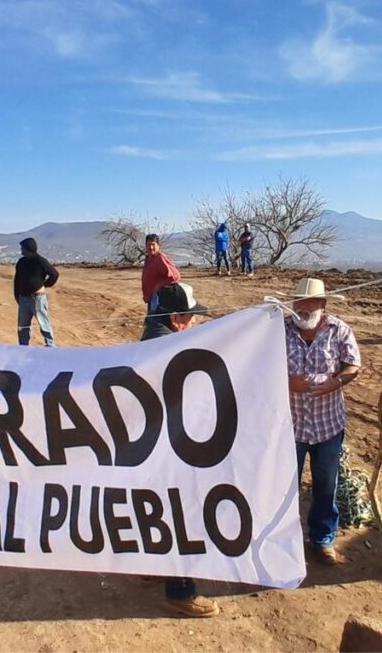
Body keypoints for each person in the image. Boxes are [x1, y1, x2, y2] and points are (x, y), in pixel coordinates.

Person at [140, 282, 219, 618]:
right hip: (171, 448)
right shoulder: (167, 346)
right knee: (181, 513)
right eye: (192, 316)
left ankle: (152, 563)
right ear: (176, 317)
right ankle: (180, 590)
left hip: (151, 446)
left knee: (157, 507)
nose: (196, 323)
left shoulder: (152, 339)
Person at [284, 277, 360, 566]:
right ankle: (283, 540)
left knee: (326, 485)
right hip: (289, 426)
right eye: (297, 303)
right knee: (283, 486)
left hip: (328, 426)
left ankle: (322, 538)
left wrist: (335, 383)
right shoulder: (278, 331)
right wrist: (286, 381)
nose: (301, 309)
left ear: (322, 305)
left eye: (308, 303)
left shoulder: (339, 330)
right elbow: (260, 367)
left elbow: (353, 365)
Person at [14, 237, 59, 346]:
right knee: (23, 326)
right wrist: (16, 295)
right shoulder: (21, 262)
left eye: (22, 248)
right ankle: (23, 347)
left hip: (37, 298)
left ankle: (50, 346)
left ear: (28, 248)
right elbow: (17, 279)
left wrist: (44, 285)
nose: (21, 250)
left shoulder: (40, 261)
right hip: (23, 298)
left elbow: (54, 274)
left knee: (44, 323)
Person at [141, 233, 179, 313]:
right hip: (151, 298)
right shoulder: (149, 258)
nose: (151, 247)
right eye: (148, 245)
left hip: (159, 299)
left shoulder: (160, 258)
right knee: (151, 322)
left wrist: (157, 286)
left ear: (158, 245)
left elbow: (175, 276)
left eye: (153, 244)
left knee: (155, 322)